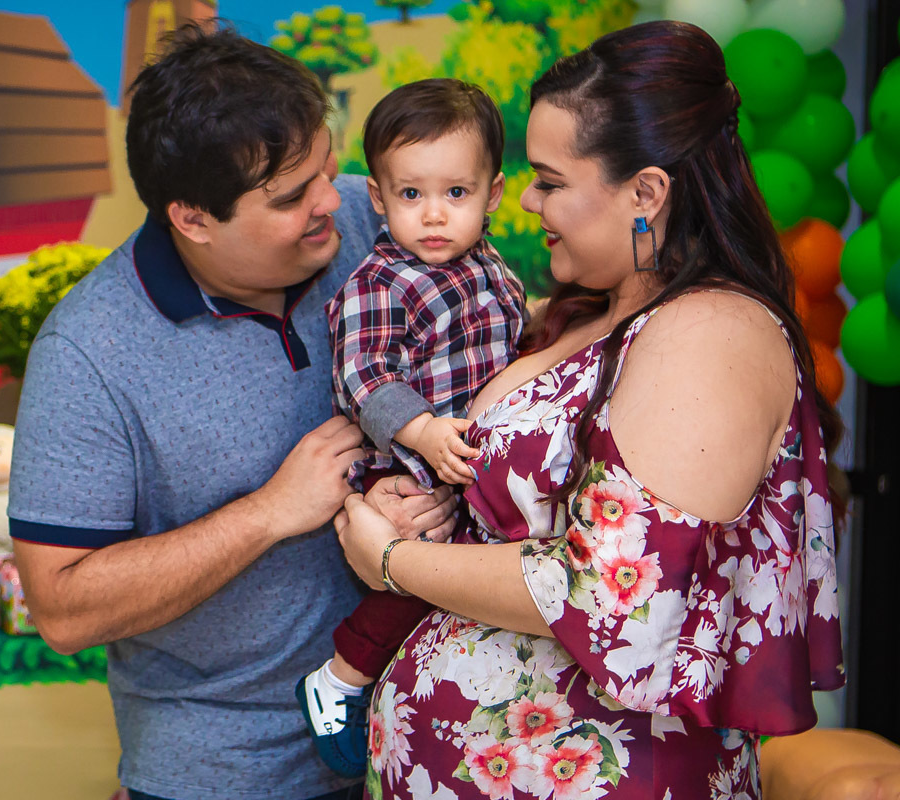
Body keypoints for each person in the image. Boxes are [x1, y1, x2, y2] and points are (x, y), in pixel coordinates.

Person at [332, 20, 844, 799]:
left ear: (645, 193)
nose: (529, 200)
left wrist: (392, 564)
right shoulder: (589, 315)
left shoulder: (710, 331)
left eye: (550, 180)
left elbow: (612, 597)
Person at [6, 24, 456, 800]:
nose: (330, 203)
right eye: (289, 198)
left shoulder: (371, 218)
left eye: (325, 165)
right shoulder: (88, 352)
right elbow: (62, 608)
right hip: (224, 773)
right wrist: (271, 512)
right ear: (193, 219)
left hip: (421, 736)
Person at [298, 78, 526, 776]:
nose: (433, 215)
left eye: (456, 194)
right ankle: (340, 676)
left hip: (471, 466)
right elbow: (364, 376)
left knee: (475, 593)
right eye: (410, 195)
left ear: (493, 194)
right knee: (421, 579)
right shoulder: (382, 283)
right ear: (377, 197)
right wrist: (423, 432)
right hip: (412, 466)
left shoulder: (489, 267)